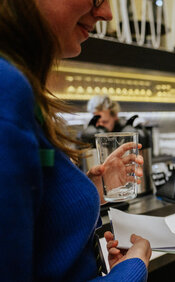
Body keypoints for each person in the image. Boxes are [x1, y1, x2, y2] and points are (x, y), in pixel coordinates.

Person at [0, 0, 151, 280]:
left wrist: (93, 187)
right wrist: (133, 267)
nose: (106, 13)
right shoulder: (6, 89)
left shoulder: (21, 90)